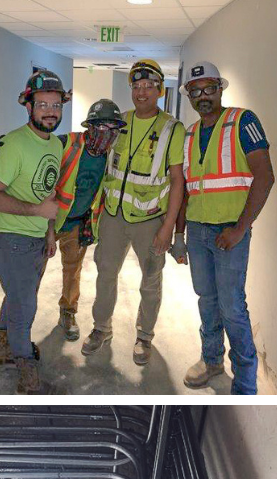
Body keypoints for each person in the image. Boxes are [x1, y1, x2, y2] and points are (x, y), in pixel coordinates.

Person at [173, 61, 275, 394]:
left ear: (220, 88)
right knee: (207, 299)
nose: (203, 96)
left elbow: (265, 176)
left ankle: (245, 383)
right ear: (189, 95)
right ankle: (211, 358)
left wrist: (240, 229)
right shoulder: (188, 134)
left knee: (232, 306)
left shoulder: (242, 121)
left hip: (229, 232)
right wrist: (179, 234)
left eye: (209, 88)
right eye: (195, 90)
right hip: (198, 232)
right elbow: (185, 188)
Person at [82, 59, 185, 365]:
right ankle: (101, 328)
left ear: (160, 91)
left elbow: (178, 179)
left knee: (150, 280)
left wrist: (168, 228)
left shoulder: (171, 128)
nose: (141, 92)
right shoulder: (120, 121)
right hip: (113, 215)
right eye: (136, 87)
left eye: (148, 87)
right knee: (105, 275)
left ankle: (144, 336)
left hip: (150, 218)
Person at [0, 69, 68, 394]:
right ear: (28, 106)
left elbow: (46, 193)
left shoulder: (55, 145)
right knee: (24, 309)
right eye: (43, 104)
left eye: (56, 105)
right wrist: (36, 212)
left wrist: (48, 232)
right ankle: (26, 374)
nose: (50, 111)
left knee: (17, 298)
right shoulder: (14, 145)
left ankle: (2, 349)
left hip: (34, 240)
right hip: (11, 242)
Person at [50, 99, 127, 341]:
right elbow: (31, 148)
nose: (107, 135)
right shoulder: (65, 144)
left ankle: (68, 312)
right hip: (47, 223)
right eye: (102, 128)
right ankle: (18, 321)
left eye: (113, 130)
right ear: (90, 127)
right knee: (31, 273)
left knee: (72, 271)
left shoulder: (111, 158)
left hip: (77, 223)